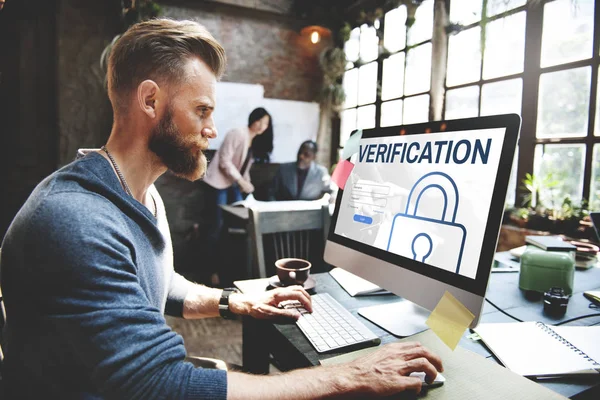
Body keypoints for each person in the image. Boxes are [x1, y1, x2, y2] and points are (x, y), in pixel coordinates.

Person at [0, 18, 443, 399]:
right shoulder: (76, 220)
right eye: (202, 110)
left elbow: (160, 284)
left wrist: (239, 303)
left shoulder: (140, 194)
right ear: (150, 101)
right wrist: (350, 376)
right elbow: (165, 385)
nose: (212, 130)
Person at [202, 107, 272, 284]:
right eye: (261, 121)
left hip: (232, 184)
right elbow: (224, 161)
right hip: (218, 183)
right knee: (216, 227)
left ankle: (229, 271)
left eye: (266, 123)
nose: (262, 126)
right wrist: (241, 182)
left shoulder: (253, 141)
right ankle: (210, 272)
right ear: (253, 119)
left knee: (235, 227)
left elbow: (243, 168)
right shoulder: (238, 133)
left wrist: (247, 184)